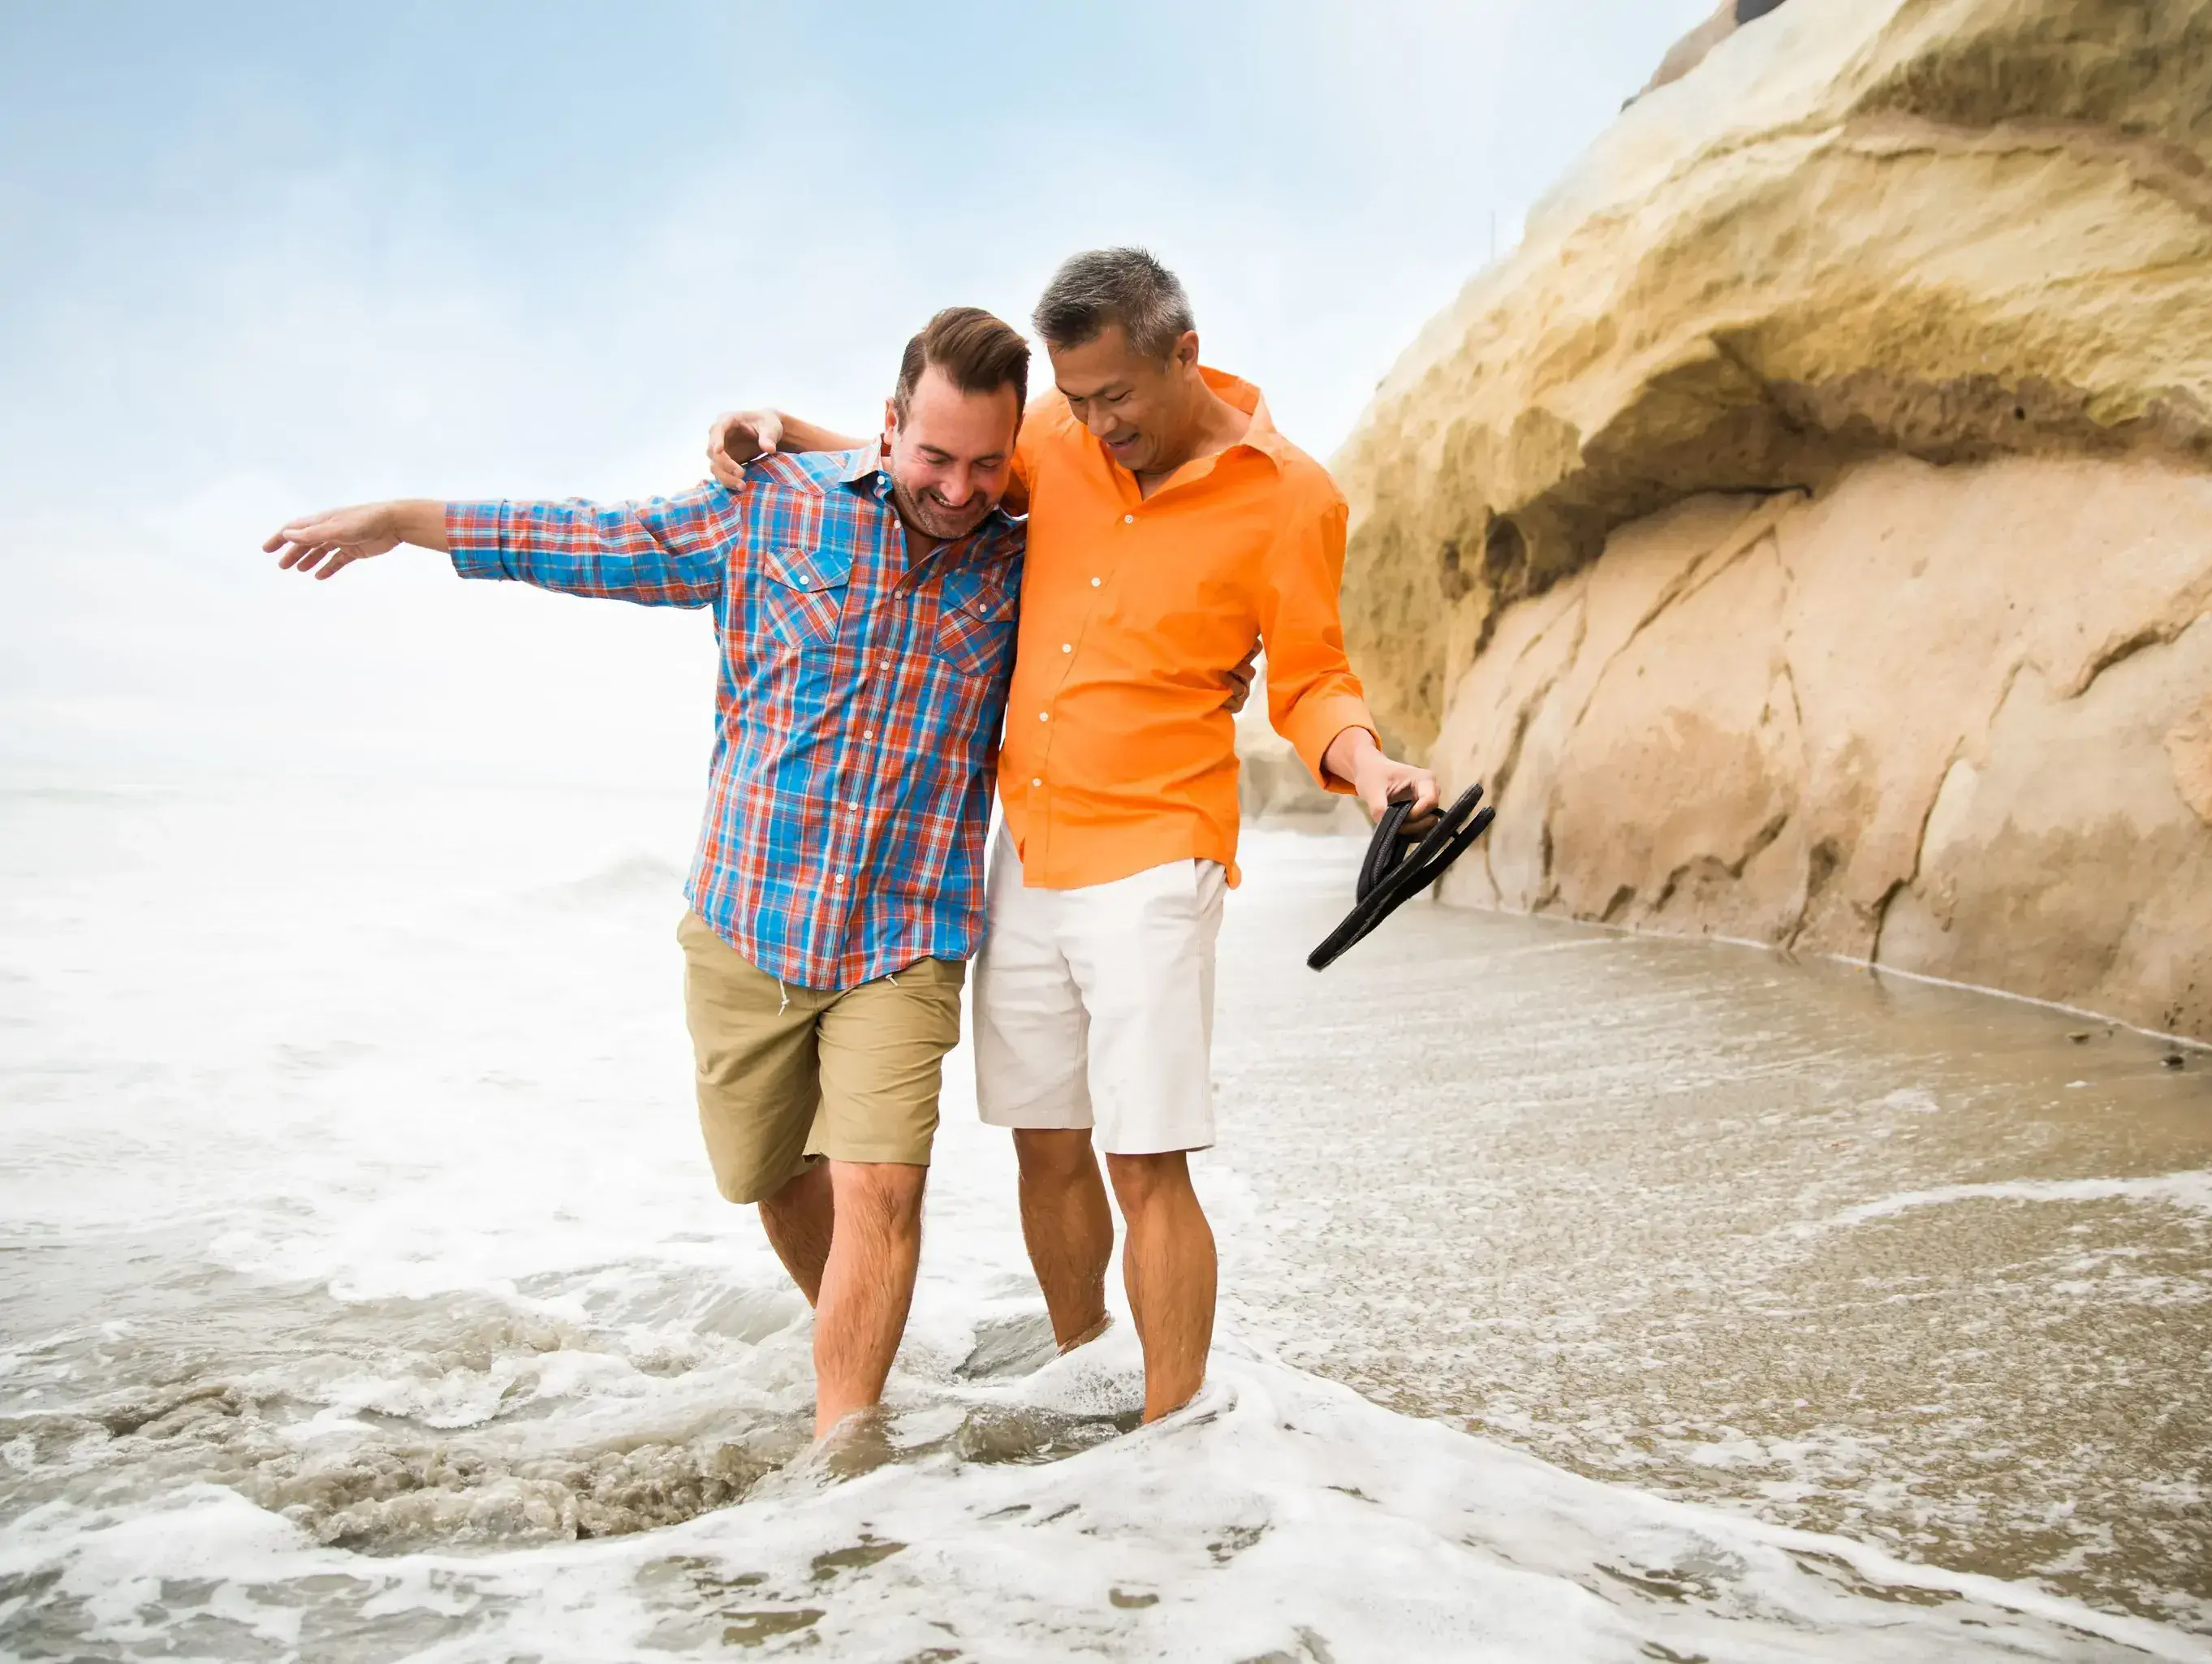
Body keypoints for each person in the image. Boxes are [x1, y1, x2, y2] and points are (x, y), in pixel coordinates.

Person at [264, 308, 1034, 1443]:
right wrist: (404, 520)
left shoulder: (1024, 555)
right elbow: (580, 536)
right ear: (888, 425)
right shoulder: (774, 504)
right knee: (772, 1177)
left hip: (903, 937)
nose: (960, 488)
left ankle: (849, 1458)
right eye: (935, 456)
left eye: (985, 462)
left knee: (883, 1188)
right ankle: (868, 1353)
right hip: (747, 919)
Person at [709, 250, 1438, 1423]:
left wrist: (1371, 766)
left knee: (1145, 1160)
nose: (1093, 424)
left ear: (1183, 357)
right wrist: (777, 426)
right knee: (1044, 1146)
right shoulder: (1054, 434)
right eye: (1076, 400)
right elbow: (930, 467)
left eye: (1115, 399)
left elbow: (1310, 682)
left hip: (1158, 847)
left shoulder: (1293, 497)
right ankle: (1084, 1362)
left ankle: (1171, 1431)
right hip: (1030, 849)